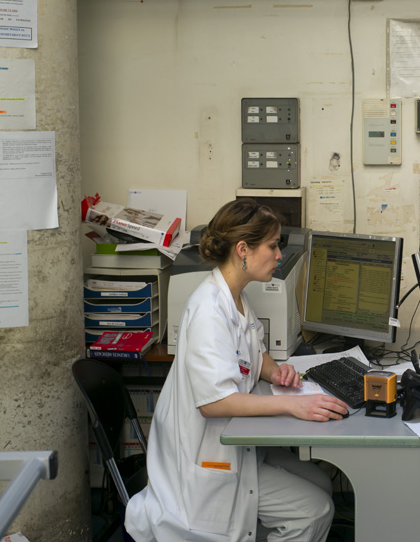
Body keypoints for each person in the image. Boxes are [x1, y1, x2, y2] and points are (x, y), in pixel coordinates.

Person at [125, 199, 348, 542]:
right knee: (315, 510)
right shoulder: (209, 311)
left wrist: (276, 373)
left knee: (321, 483)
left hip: (234, 444)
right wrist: (293, 404)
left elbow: (253, 353)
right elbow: (215, 403)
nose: (278, 255)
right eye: (273, 246)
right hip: (205, 462)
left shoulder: (238, 297)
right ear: (243, 249)